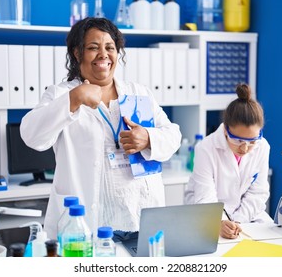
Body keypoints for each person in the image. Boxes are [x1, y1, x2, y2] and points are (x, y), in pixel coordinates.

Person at [20, 17, 181, 240]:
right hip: (85, 225)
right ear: (77, 53)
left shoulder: (138, 93)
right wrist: (73, 99)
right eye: (93, 48)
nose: (103, 55)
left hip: (139, 218)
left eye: (110, 47)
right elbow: (31, 135)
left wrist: (148, 138)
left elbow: (173, 135)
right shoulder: (60, 94)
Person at [184, 83, 271, 239]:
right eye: (238, 140)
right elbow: (205, 197)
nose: (245, 148)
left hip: (245, 217)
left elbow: (258, 192)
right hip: (207, 214)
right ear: (225, 130)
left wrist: (237, 221)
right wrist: (220, 222)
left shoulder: (263, 146)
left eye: (252, 141)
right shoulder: (205, 148)